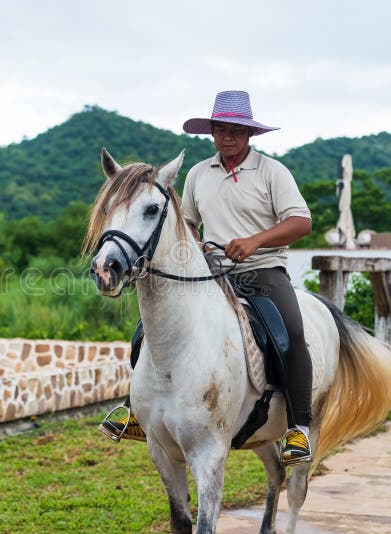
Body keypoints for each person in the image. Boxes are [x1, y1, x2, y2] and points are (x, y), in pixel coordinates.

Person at [100, 90, 314, 466]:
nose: (227, 136)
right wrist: (197, 250)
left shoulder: (272, 172)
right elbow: (189, 226)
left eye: (235, 130)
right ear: (212, 133)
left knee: (291, 335)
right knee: (147, 328)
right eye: (220, 130)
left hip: (262, 271)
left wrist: (254, 242)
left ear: (249, 134)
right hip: (212, 273)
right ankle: (133, 409)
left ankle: (299, 427)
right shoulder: (198, 174)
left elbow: (301, 222)